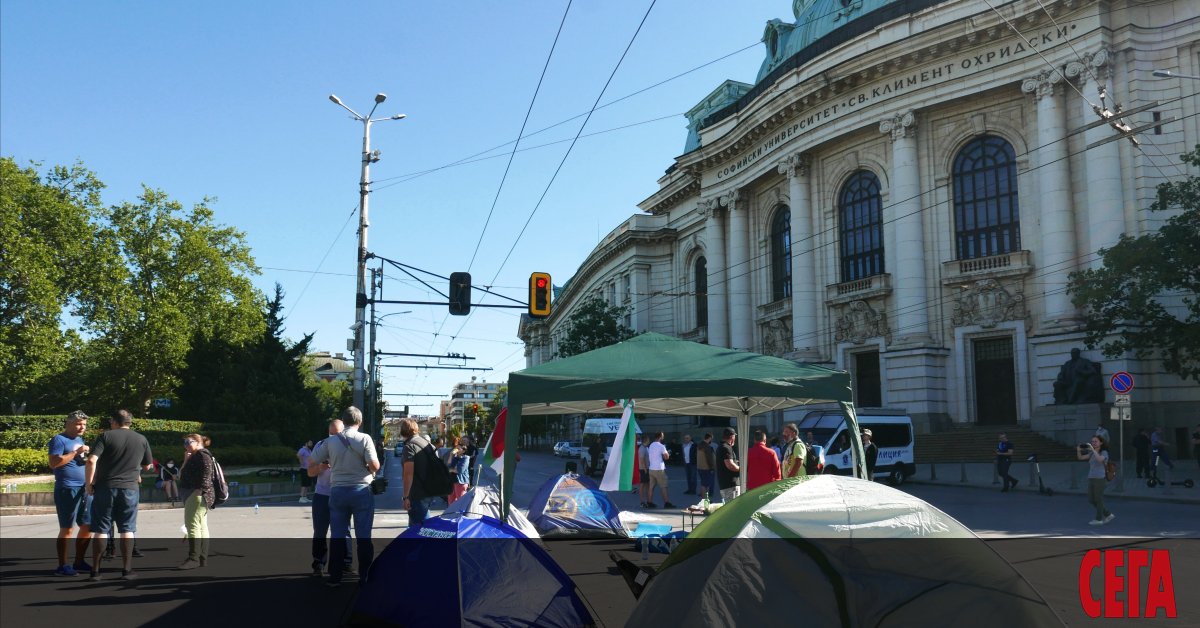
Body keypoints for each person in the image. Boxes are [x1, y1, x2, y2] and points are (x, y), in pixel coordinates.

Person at [308, 406, 380, 588]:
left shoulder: (330, 441)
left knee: (338, 534)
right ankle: (365, 575)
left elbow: (312, 461)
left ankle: (335, 576)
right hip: (361, 490)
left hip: (337, 491)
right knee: (364, 535)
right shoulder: (364, 438)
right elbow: (375, 465)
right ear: (359, 422)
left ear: (344, 420)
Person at [85, 409, 153, 581]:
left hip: (105, 487)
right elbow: (147, 466)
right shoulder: (141, 439)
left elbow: (92, 460)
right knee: (127, 529)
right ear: (130, 422)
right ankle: (127, 569)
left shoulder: (106, 436)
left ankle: (96, 571)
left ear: (114, 421)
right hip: (130, 488)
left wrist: (89, 483)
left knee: (101, 529)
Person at [48, 410, 93, 577]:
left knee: (88, 525)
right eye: (78, 424)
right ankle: (62, 565)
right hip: (67, 488)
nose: (82, 427)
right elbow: (54, 463)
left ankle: (79, 561)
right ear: (68, 424)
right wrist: (75, 452)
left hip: (84, 488)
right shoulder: (59, 439)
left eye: (84, 425)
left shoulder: (79, 439)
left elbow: (79, 461)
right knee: (67, 528)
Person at [308, 419, 353, 577]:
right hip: (322, 494)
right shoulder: (321, 445)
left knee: (343, 530)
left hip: (341, 493)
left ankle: (346, 563)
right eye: (331, 434)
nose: (334, 437)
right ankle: (319, 563)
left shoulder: (350, 445)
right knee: (320, 531)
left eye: (337, 434)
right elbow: (309, 472)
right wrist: (320, 467)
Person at [177, 434, 215, 569]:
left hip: (197, 495)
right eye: (184, 443)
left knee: (192, 526)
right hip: (199, 495)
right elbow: (180, 475)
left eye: (188, 442)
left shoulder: (202, 455)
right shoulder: (195, 455)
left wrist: (198, 491)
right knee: (201, 526)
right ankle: (202, 558)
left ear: (198, 442)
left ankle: (193, 558)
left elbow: (206, 475)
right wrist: (186, 460)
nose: (186, 445)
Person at [399, 418, 440, 527]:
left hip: (417, 493)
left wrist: (406, 497)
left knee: (421, 528)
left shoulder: (409, 446)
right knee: (417, 526)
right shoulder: (429, 445)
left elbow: (408, 474)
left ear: (403, 431)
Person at [1078, 435, 1114, 525]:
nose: (1093, 443)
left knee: (1098, 499)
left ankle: (1098, 519)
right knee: (1091, 499)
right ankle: (1108, 514)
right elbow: (1081, 458)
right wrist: (1078, 450)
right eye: (1092, 442)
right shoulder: (1091, 453)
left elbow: (1099, 459)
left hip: (1100, 479)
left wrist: (1093, 450)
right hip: (1091, 478)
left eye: (1095, 441)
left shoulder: (1104, 452)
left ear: (1101, 442)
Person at [646, 432, 674, 509]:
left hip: (651, 468)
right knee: (663, 486)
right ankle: (667, 503)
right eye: (663, 436)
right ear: (660, 437)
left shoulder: (651, 445)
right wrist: (668, 453)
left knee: (651, 487)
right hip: (659, 468)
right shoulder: (662, 446)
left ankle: (649, 502)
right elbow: (666, 457)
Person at [716, 428, 741, 502]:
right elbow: (730, 465)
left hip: (726, 484)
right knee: (733, 508)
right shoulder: (726, 448)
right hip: (730, 484)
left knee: (731, 507)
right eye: (734, 437)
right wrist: (741, 469)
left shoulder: (721, 446)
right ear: (732, 437)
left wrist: (736, 462)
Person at [448, 439, 471, 505]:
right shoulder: (455, 457)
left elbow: (460, 470)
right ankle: (451, 514)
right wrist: (450, 455)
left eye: (459, 448)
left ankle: (461, 515)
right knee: (451, 502)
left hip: (461, 482)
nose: (457, 449)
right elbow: (449, 465)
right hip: (452, 481)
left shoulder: (466, 458)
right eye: (456, 448)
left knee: (461, 501)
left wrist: (452, 470)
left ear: (463, 450)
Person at [696, 433, 715, 501]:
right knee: (706, 484)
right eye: (711, 439)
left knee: (703, 483)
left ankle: (705, 498)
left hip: (700, 467)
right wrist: (712, 467)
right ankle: (705, 499)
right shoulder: (707, 447)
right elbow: (709, 458)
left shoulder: (699, 445)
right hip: (706, 467)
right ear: (709, 438)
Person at [638, 435, 652, 508]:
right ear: (646, 440)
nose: (649, 441)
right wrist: (645, 469)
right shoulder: (642, 448)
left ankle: (648, 501)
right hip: (643, 469)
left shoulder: (646, 447)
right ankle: (641, 501)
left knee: (647, 485)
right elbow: (641, 459)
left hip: (646, 468)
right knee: (642, 485)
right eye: (648, 439)